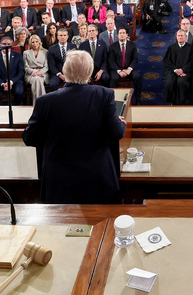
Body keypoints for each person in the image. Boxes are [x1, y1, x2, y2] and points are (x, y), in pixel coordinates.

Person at [22, 50, 126, 204]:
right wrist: (119, 122)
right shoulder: (104, 95)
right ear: (90, 72)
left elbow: (30, 138)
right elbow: (116, 132)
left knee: (60, 225)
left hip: (59, 180)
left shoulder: (45, 101)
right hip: (96, 177)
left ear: (65, 71)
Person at [163, 29, 193, 105]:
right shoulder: (171, 47)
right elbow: (167, 61)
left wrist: (183, 70)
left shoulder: (191, 48)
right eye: (178, 36)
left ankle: (181, 103)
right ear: (176, 37)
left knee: (181, 82)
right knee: (170, 81)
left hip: (185, 72)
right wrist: (176, 70)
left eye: (182, 36)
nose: (180, 37)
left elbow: (192, 62)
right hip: (173, 71)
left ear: (186, 37)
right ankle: (171, 102)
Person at [24, 34, 49, 100]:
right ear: (30, 43)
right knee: (36, 79)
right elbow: (26, 67)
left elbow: (46, 66)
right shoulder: (26, 53)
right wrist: (35, 72)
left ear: (39, 42)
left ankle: (37, 102)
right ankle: (42, 101)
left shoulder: (45, 52)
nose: (35, 44)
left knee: (37, 79)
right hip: (30, 74)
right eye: (33, 42)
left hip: (42, 73)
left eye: (36, 41)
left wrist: (39, 72)